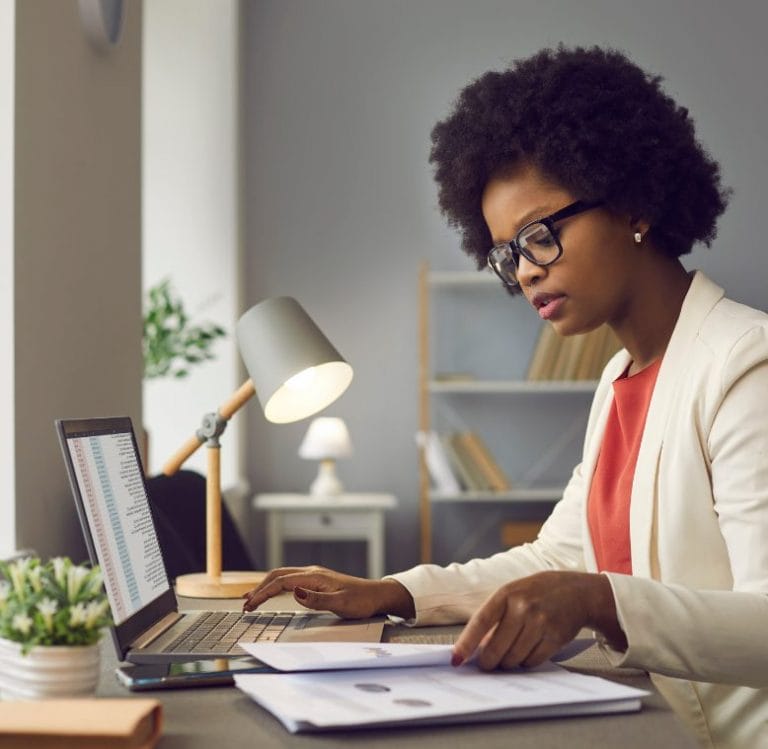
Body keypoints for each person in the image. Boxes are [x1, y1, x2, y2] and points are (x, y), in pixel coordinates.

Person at [243, 45, 768, 748]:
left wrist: (598, 598)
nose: (524, 271)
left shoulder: (743, 364)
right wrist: (393, 592)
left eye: (540, 236)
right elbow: (554, 557)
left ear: (635, 202)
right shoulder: (618, 384)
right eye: (506, 252)